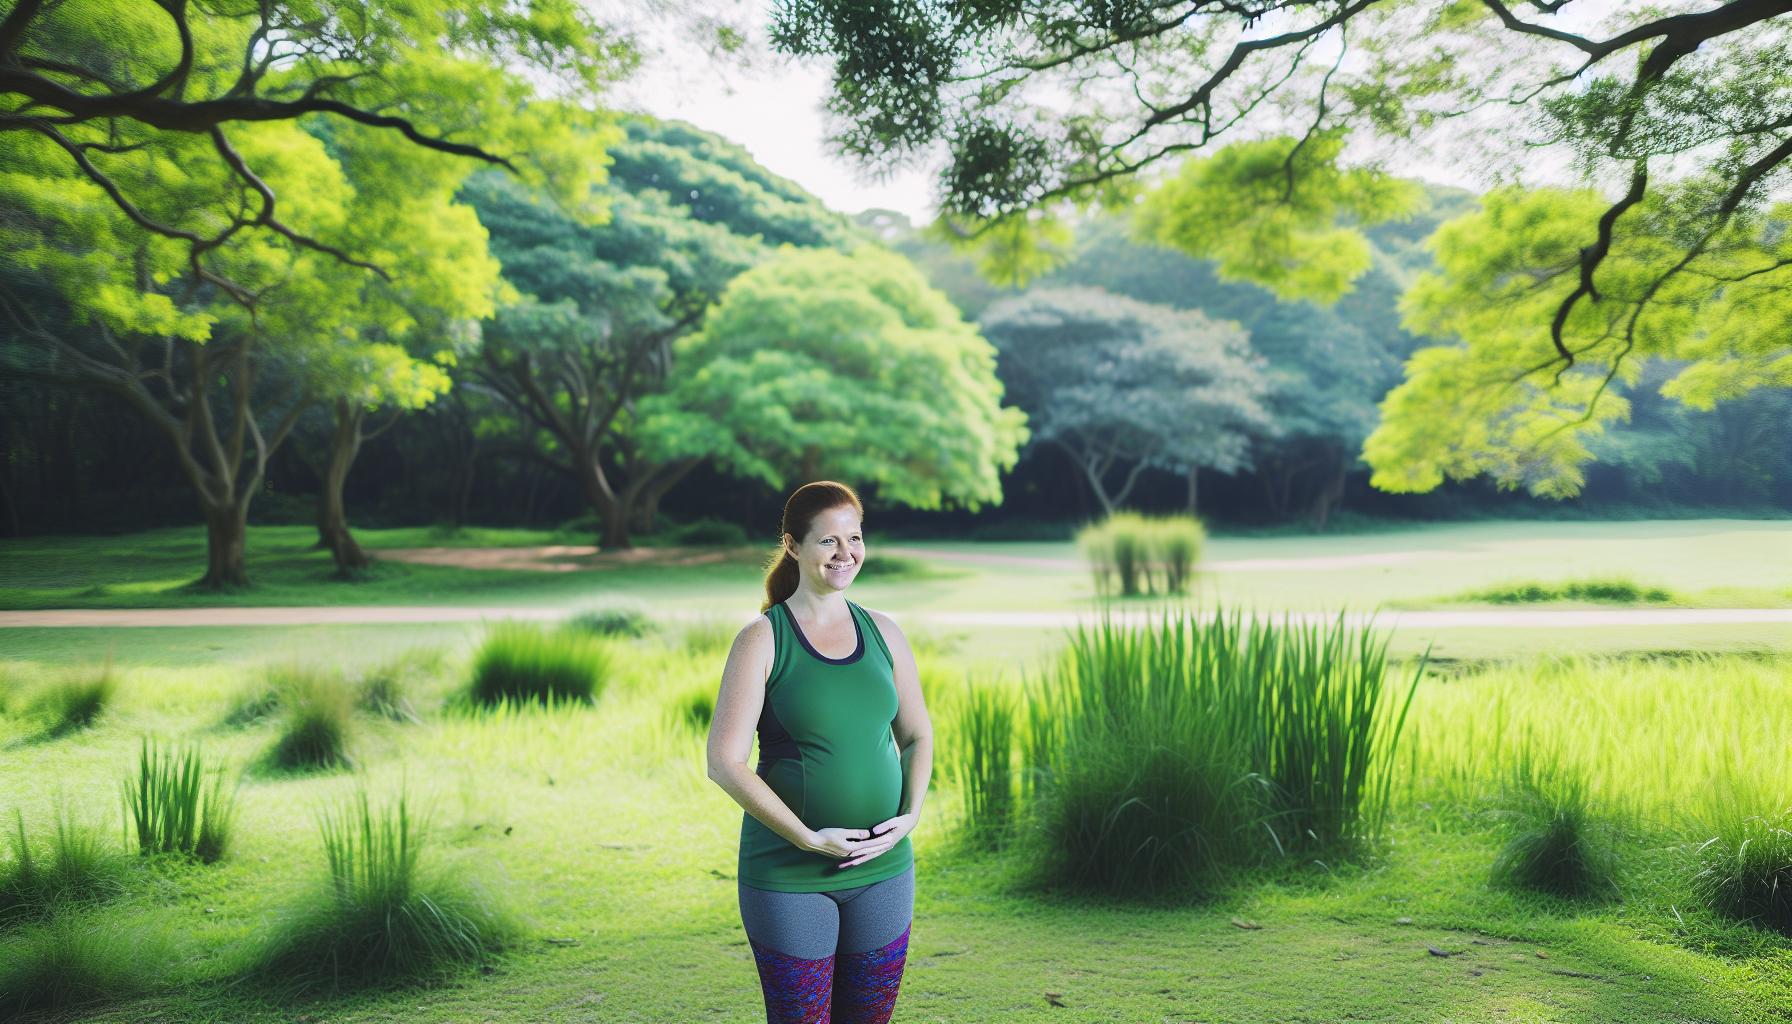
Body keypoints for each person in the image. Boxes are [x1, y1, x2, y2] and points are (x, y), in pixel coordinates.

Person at [707, 481, 933, 1023]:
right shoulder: (762, 639)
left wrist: (911, 817)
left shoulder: (884, 632)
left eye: (854, 538)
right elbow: (724, 762)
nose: (845, 553)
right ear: (793, 545)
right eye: (828, 541)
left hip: (884, 869)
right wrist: (808, 838)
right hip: (789, 875)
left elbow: (917, 735)